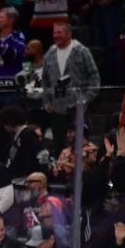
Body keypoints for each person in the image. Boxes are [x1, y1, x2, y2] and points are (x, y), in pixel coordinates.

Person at [41, 22, 101, 154]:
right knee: (58, 145)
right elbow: (44, 79)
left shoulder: (82, 51)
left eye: (59, 33)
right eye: (54, 33)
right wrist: (46, 101)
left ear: (68, 34)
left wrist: (86, 98)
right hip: (56, 109)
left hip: (78, 108)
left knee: (81, 145)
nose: (55, 36)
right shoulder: (50, 53)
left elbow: (94, 76)